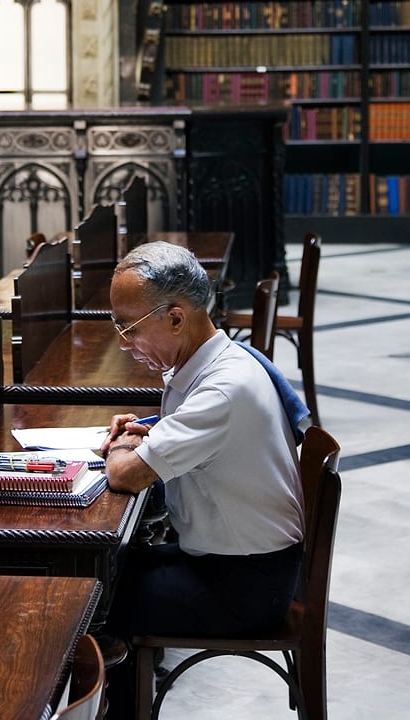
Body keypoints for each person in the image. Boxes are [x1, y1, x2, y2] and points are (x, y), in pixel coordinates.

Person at [100, 240, 305, 717]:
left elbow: (127, 475)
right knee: (105, 573)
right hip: (231, 561)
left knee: (90, 603)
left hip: (244, 587)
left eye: (128, 328)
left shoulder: (223, 387)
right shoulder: (216, 362)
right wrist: (147, 430)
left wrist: (127, 444)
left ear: (175, 318)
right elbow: (188, 429)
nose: (124, 344)